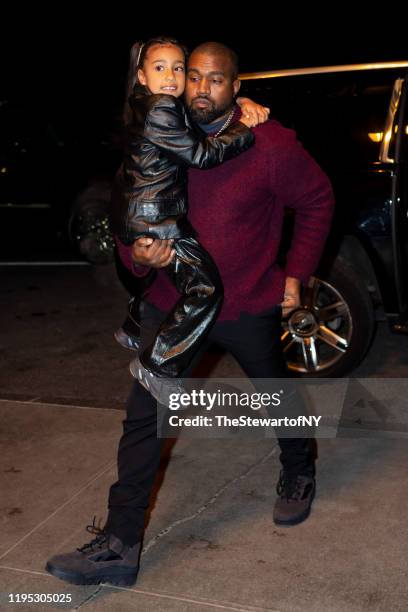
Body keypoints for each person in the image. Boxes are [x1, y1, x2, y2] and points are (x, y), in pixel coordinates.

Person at [46, 42, 334, 588]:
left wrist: (296, 275)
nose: (200, 88)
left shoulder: (269, 142)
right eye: (191, 77)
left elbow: (317, 199)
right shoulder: (158, 130)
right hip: (173, 303)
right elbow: (131, 205)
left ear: (237, 86)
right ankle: (120, 545)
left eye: (215, 80)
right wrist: (140, 255)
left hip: (247, 301)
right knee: (141, 417)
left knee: (276, 396)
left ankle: (299, 472)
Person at [109, 36, 267, 405]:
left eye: (178, 68)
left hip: (140, 214)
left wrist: (240, 102)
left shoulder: (141, 103)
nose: (171, 76)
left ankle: (133, 325)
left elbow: (196, 118)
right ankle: (158, 365)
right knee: (205, 289)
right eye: (160, 68)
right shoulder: (162, 106)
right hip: (158, 218)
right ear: (142, 76)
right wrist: (245, 129)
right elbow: (200, 154)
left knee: (174, 275)